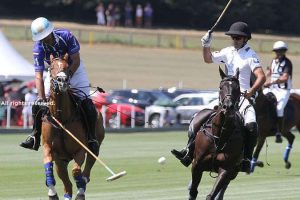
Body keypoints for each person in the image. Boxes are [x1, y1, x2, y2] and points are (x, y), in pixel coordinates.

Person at [171, 22, 266, 173]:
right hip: (226, 98)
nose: (235, 40)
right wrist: (206, 44)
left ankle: (247, 159)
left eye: (238, 37)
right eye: (233, 37)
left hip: (242, 98)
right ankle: (188, 151)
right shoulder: (228, 51)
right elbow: (208, 59)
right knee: (199, 118)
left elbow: (261, 77)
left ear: (246, 39)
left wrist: (251, 91)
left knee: (251, 125)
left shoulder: (250, 55)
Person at [20, 17, 99, 155]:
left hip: (73, 69)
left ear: (51, 31)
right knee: (38, 104)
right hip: (53, 73)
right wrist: (41, 97)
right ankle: (34, 136)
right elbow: (38, 75)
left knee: (86, 100)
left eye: (46, 36)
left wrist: (67, 76)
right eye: (41, 37)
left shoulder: (66, 35)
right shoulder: (39, 48)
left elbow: (76, 60)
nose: (45, 39)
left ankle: (92, 138)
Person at [264, 41, 292, 143]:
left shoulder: (287, 63)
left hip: (283, 90)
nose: (278, 53)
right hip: (272, 89)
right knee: (260, 98)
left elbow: (285, 78)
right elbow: (269, 72)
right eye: (276, 51)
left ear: (284, 51)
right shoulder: (273, 61)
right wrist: (262, 78)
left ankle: (279, 132)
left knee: (279, 108)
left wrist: (272, 82)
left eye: (280, 51)